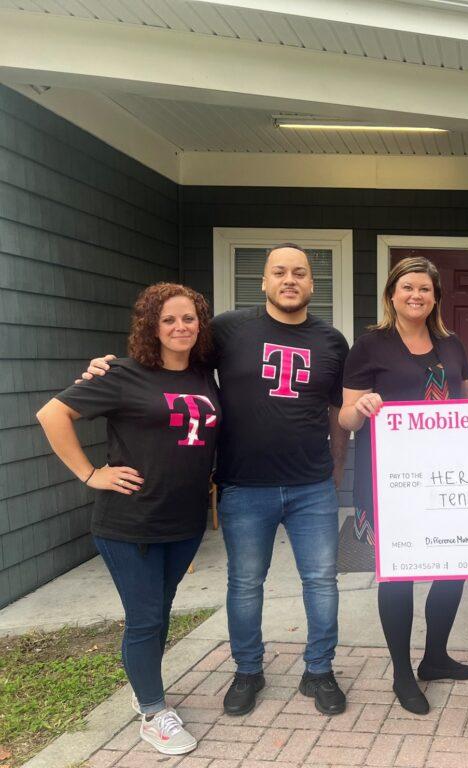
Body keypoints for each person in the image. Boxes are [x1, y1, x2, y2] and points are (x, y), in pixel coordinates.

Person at [81, 244, 351, 717]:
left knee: (321, 582)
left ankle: (320, 670)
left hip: (312, 486)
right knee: (246, 583)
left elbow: (335, 410)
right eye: (279, 272)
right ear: (263, 282)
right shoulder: (228, 329)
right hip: (244, 485)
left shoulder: (332, 341)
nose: (290, 280)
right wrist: (109, 367)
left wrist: (337, 469)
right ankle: (248, 670)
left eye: (300, 273)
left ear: (312, 284)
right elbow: (171, 358)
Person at [37, 283, 219, 756]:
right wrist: (90, 473)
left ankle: (148, 692)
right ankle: (154, 714)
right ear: (151, 327)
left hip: (184, 521)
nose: (180, 327)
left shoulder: (204, 375)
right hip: (130, 522)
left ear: (200, 325)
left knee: (159, 614)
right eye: (168, 320)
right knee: (144, 619)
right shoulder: (121, 374)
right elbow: (52, 414)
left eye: (189, 319)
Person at [339, 256, 468, 715]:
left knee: (453, 565)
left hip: (448, 476)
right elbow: (344, 417)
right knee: (398, 572)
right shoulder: (369, 346)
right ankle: (402, 672)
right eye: (407, 288)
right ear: (392, 295)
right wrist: (362, 406)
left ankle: (435, 657)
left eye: (425, 288)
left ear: (435, 296)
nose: (416, 295)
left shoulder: (451, 343)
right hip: (390, 480)